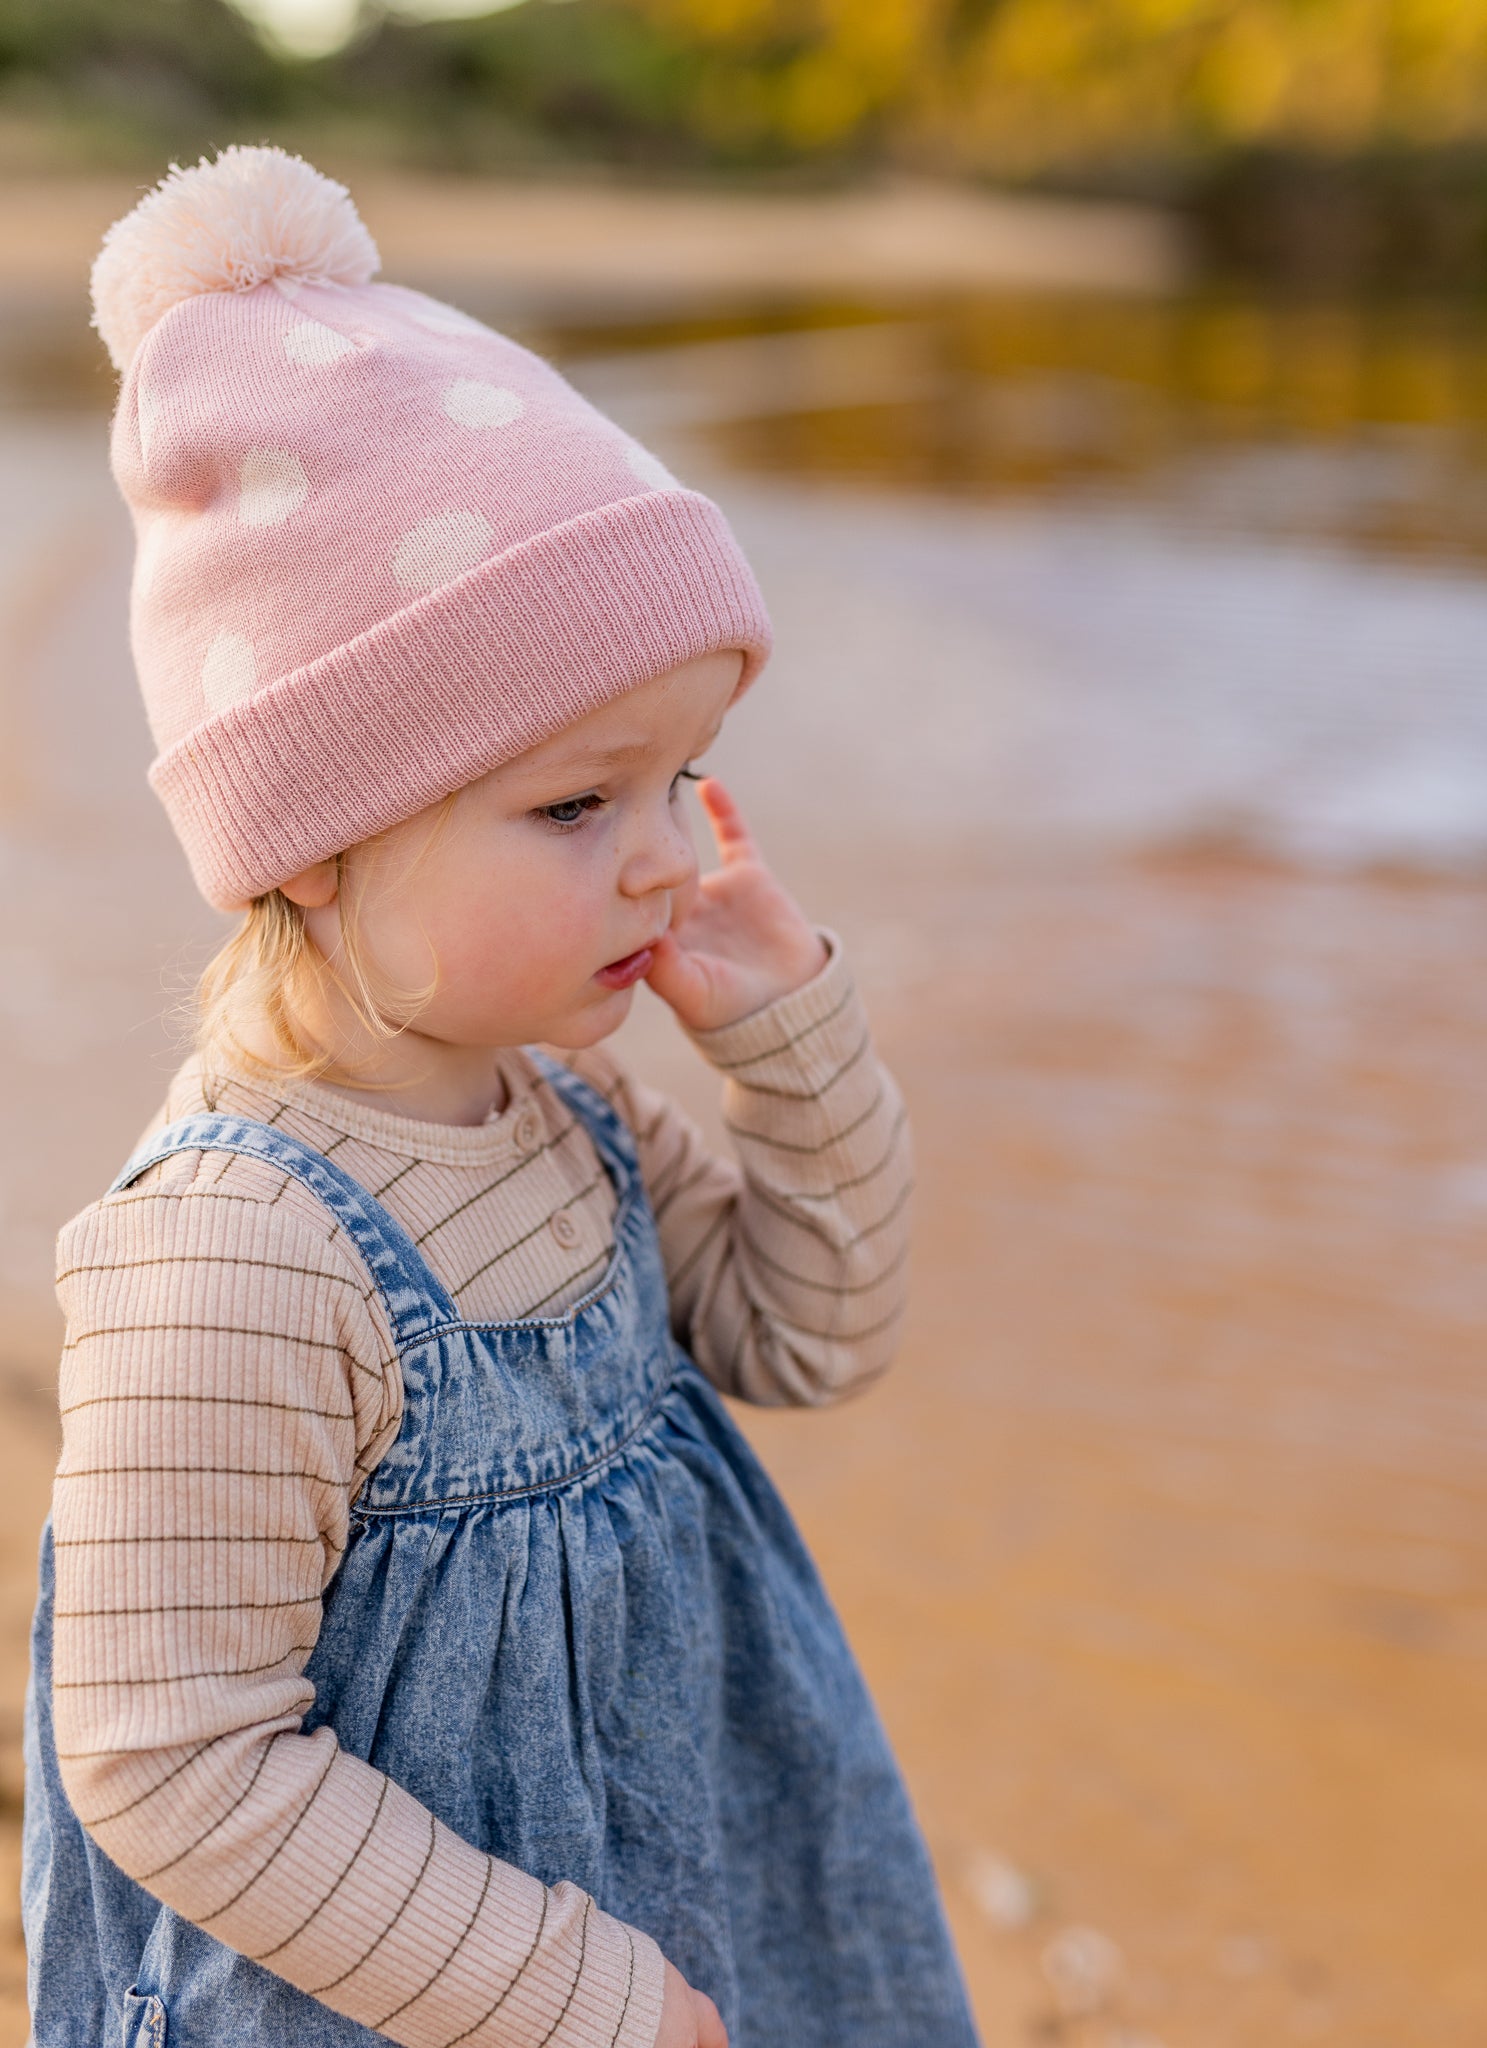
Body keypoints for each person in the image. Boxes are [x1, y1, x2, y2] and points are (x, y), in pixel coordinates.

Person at [22, 146, 980, 2048]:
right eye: (575, 803)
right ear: (316, 840)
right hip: (419, 1989)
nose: (662, 859)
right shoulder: (237, 1254)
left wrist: (792, 1043)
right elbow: (171, 1756)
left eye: (679, 778)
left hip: (680, 1882)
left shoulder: (562, 1110)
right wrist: (566, 1992)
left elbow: (817, 1332)